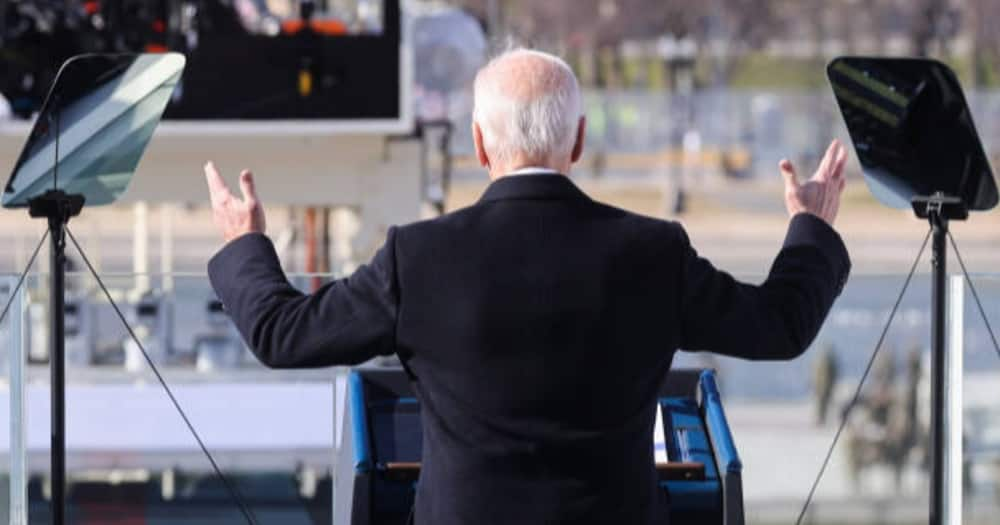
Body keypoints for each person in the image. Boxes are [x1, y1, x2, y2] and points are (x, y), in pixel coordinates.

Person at [204, 48, 851, 525]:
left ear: (480, 145)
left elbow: (281, 333)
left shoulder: (419, 256)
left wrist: (244, 243)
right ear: (579, 139)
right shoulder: (653, 252)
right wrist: (809, 226)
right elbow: (780, 325)